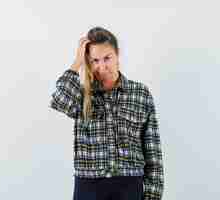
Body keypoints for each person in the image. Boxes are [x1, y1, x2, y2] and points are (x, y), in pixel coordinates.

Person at [49, 26, 164, 200]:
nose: (101, 66)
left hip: (129, 187)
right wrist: (77, 62)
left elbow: (152, 152)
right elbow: (59, 101)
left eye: (107, 58)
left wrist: (152, 195)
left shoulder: (140, 93)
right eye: (94, 60)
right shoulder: (81, 94)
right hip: (88, 188)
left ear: (117, 55)